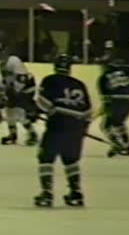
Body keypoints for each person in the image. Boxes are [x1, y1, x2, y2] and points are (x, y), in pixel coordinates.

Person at [34, 54, 92, 207]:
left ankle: (47, 194)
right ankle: (76, 193)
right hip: (76, 128)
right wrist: (82, 129)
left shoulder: (50, 80)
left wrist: (37, 111)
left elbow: (43, 102)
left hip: (57, 126)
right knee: (71, 160)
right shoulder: (80, 84)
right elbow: (88, 112)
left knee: (46, 157)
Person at [97, 41, 129, 157]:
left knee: (106, 125)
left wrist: (106, 108)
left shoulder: (103, 78)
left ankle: (116, 144)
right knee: (119, 123)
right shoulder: (126, 70)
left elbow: (106, 98)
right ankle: (126, 144)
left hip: (117, 100)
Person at [0, 55, 38, 146]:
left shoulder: (21, 77)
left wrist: (7, 96)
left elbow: (16, 90)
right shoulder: (16, 74)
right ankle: (13, 133)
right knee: (9, 111)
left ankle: (32, 134)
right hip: (20, 91)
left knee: (19, 113)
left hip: (25, 92)